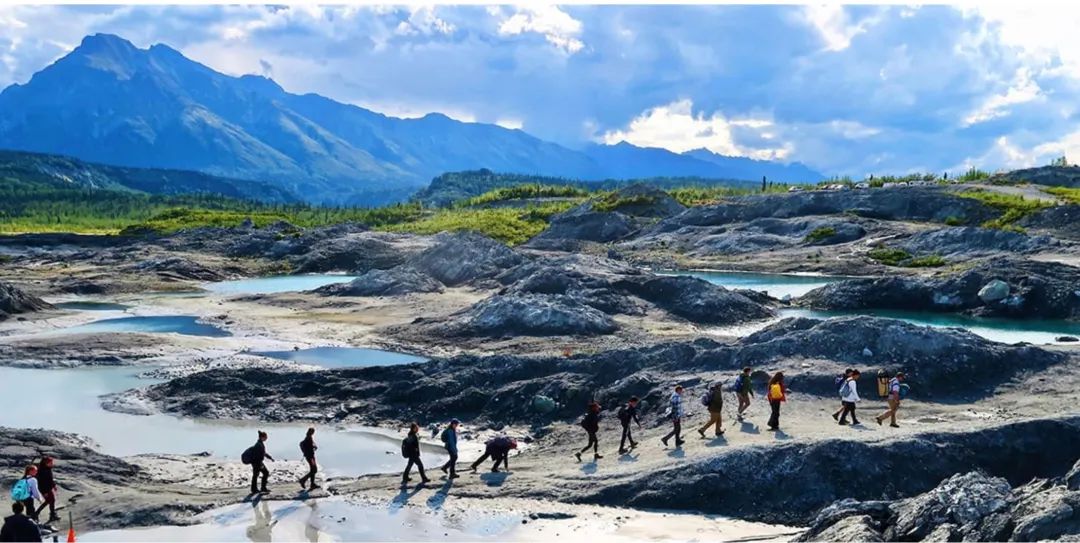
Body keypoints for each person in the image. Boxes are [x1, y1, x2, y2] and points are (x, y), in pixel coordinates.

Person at [33, 457, 57, 524]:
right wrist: (44, 492)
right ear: (46, 463)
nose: (52, 464)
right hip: (45, 489)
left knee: (51, 500)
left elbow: (50, 479)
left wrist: (54, 485)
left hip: (49, 488)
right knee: (49, 500)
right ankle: (38, 513)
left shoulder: (48, 469)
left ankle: (52, 514)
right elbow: (41, 483)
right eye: (50, 463)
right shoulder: (42, 471)